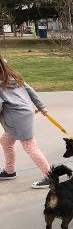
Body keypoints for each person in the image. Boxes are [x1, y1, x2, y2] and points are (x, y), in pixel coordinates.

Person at [0, 57, 51, 188]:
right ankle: (9, 171)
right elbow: (30, 90)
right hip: (24, 112)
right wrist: (41, 107)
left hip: (16, 117)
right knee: (6, 140)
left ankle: (50, 176)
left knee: (30, 147)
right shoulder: (13, 77)